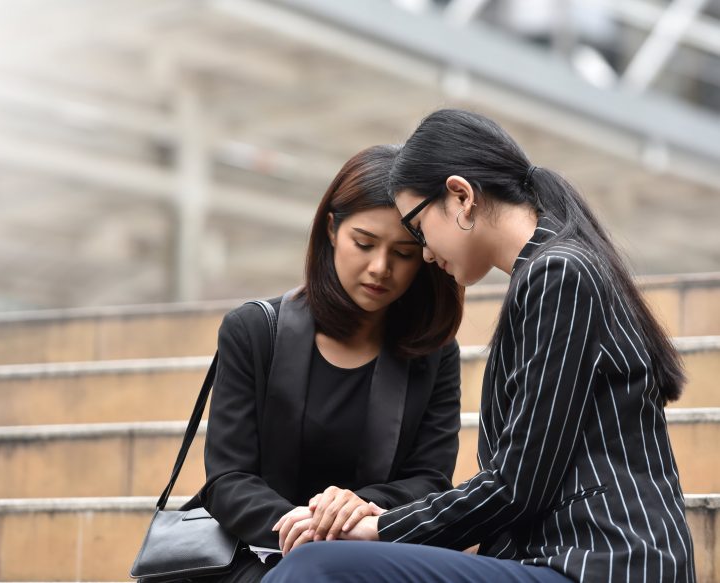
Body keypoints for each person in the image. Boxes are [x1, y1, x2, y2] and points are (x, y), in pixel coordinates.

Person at [265, 110, 696, 582]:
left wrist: (378, 526)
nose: (425, 252)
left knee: (318, 565)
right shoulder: (548, 272)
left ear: (461, 198)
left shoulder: (560, 274)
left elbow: (516, 486)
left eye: (417, 226)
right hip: (552, 559)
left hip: (603, 563)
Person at [187, 144, 465, 582]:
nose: (380, 267)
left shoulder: (432, 353)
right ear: (332, 229)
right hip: (256, 552)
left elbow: (430, 481)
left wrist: (358, 510)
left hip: (369, 554)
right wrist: (308, 527)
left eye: (404, 253)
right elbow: (228, 479)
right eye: (364, 243)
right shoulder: (255, 331)